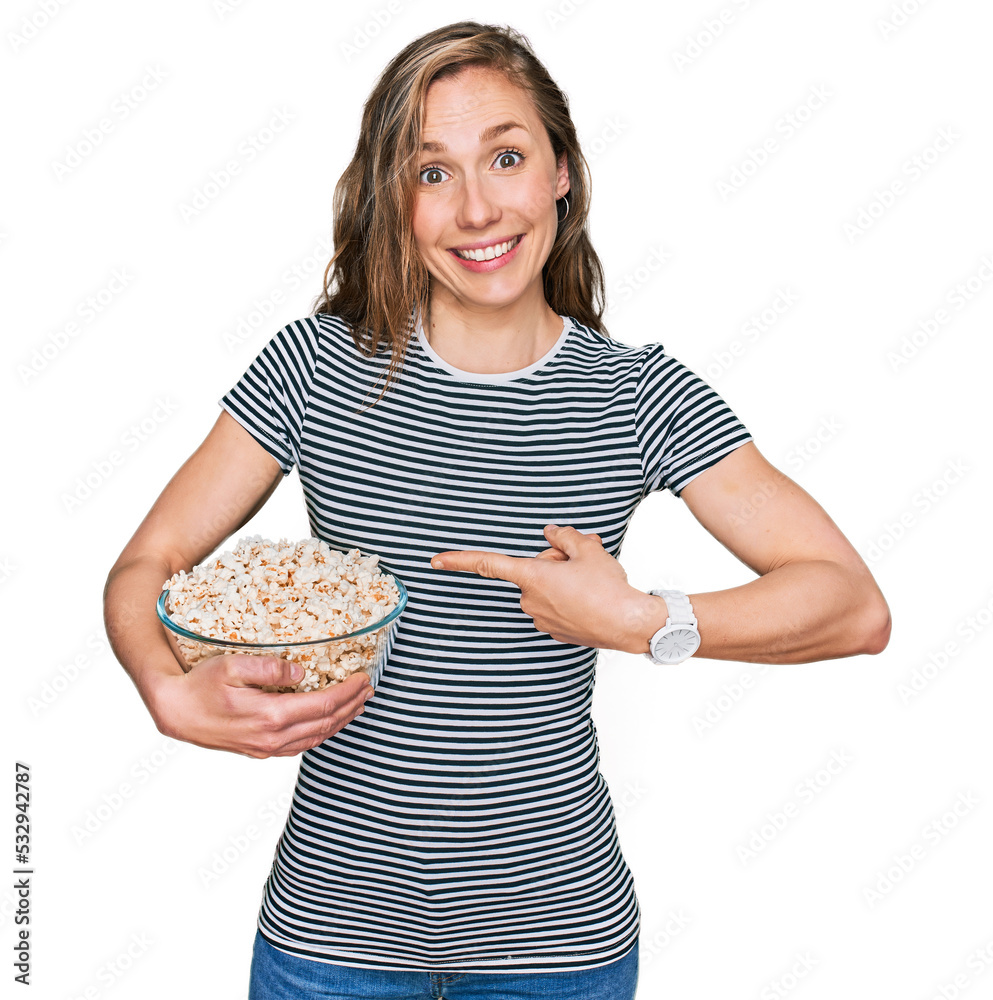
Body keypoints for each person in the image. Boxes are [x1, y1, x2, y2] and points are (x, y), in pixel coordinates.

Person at [104, 20, 891, 1000]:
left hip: (560, 951)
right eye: (432, 173)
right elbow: (149, 565)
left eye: (507, 157)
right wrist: (164, 688)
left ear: (561, 168)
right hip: (330, 941)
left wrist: (647, 621)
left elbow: (852, 603)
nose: (478, 208)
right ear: (395, 198)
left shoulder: (637, 396)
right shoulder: (313, 369)